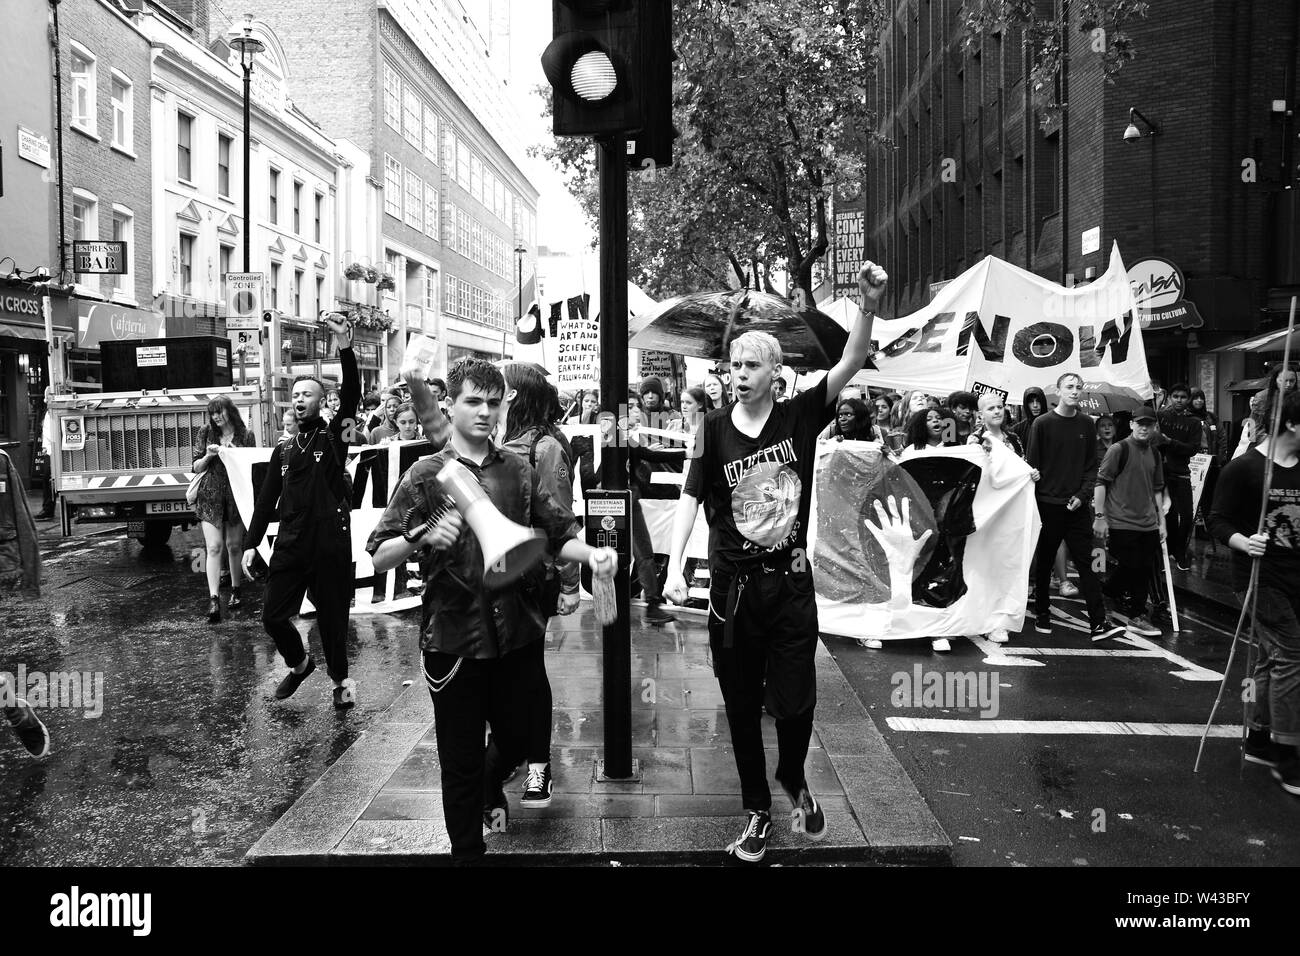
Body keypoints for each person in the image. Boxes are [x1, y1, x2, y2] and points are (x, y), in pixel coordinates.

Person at [663, 261, 886, 865]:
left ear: (775, 374)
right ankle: (759, 810)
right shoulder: (710, 430)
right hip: (732, 594)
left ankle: (794, 778)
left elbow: (849, 364)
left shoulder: (799, 416)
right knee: (739, 707)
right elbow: (690, 495)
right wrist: (676, 564)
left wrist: (865, 307)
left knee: (795, 700)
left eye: (750, 365)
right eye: (732, 365)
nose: (737, 375)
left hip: (789, 588)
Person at [367, 358, 617, 863]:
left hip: (518, 634)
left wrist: (593, 555)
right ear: (451, 406)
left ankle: (488, 781)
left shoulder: (520, 469)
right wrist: (421, 534)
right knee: (458, 761)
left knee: (521, 734)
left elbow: (558, 535)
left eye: (493, 402)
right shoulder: (426, 474)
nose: (485, 412)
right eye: (473, 402)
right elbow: (378, 552)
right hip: (454, 639)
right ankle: (468, 854)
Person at [242, 314, 362, 710]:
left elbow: (352, 396)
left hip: (329, 543)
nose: (299, 400)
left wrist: (344, 344)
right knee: (273, 616)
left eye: (306, 394)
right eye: (295, 396)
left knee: (332, 621)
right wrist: (250, 543)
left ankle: (341, 682)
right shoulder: (283, 450)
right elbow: (264, 502)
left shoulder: (336, 438)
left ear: (321, 401)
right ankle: (300, 664)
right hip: (291, 544)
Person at [495, 362, 582, 808]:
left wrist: (569, 584)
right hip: (490, 582)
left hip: (532, 581)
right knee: (496, 675)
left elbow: (562, 523)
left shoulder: (546, 448)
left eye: (501, 389)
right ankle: (508, 753)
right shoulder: (488, 441)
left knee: (527, 672)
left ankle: (538, 767)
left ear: (518, 396)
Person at [1206, 390, 1300, 796]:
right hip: (1260, 580)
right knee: (1294, 656)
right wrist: (1245, 542)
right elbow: (1217, 519)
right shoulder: (1244, 468)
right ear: (1293, 424)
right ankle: (1289, 755)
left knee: (1270, 658)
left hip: (1296, 578)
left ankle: (1259, 738)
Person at [1025, 372, 1124, 641]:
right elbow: (1032, 465)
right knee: (1044, 563)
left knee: (1088, 562)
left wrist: (1082, 494)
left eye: (1078, 387)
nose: (1074, 391)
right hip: (1048, 504)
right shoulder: (1042, 424)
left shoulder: (1085, 423)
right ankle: (1042, 613)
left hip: (1077, 506)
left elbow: (1091, 467)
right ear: (1058, 391)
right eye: (1069, 386)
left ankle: (1098, 622)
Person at [967, 390, 1038, 645]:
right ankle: (984, 617)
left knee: (1009, 562)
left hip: (1012, 512)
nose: (997, 412)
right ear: (981, 414)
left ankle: (1002, 617)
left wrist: (1031, 475)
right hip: (990, 512)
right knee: (988, 563)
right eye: (991, 408)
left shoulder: (1015, 438)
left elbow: (1021, 466)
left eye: (1000, 407)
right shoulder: (975, 441)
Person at [1093, 406, 1168, 639]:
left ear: (1154, 428)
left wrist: (1161, 521)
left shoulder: (1155, 454)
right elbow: (1101, 483)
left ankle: (1136, 615)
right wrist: (1099, 517)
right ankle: (1110, 593)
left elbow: (1158, 490)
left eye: (1149, 424)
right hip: (1121, 521)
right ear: (1132, 425)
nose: (1144, 428)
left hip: (1148, 522)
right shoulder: (1119, 449)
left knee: (1143, 570)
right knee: (1131, 565)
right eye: (1140, 423)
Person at [192, 396, 258, 623]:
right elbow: (195, 466)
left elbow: (251, 466)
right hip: (210, 495)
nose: (216, 417)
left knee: (234, 545)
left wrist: (234, 452)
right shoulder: (205, 433)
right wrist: (210, 455)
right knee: (213, 547)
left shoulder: (246, 435)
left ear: (230, 411)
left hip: (235, 495)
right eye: (213, 413)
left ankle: (236, 589)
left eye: (220, 412)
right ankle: (213, 598)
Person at [1155, 383, 1202, 572]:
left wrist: (1169, 442)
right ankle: (1171, 552)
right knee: (1169, 515)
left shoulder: (1194, 422)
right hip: (1161, 473)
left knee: (1187, 516)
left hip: (1182, 472)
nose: (1179, 400)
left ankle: (1180, 549)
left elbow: (1193, 449)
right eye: (1175, 396)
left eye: (1183, 397)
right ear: (1170, 398)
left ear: (1188, 399)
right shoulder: (1161, 417)